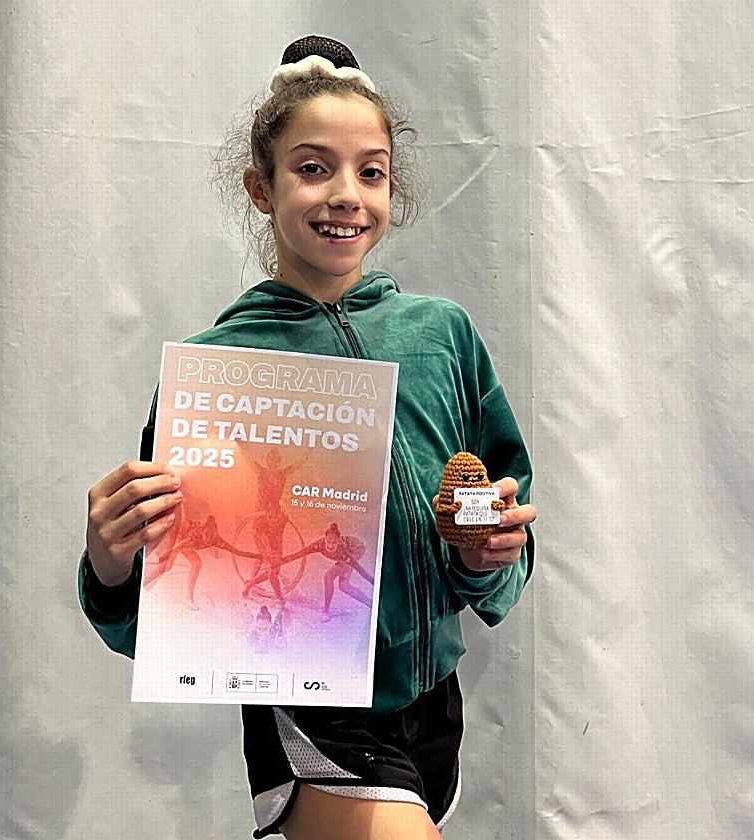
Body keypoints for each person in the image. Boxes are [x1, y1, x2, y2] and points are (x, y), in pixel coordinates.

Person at [79, 35, 536, 840]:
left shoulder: (443, 337)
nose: (346, 195)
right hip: (314, 714)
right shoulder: (221, 370)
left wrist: (486, 551)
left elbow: (500, 519)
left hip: (435, 704)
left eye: (371, 172)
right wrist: (111, 566)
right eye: (314, 168)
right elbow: (172, 604)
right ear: (262, 187)